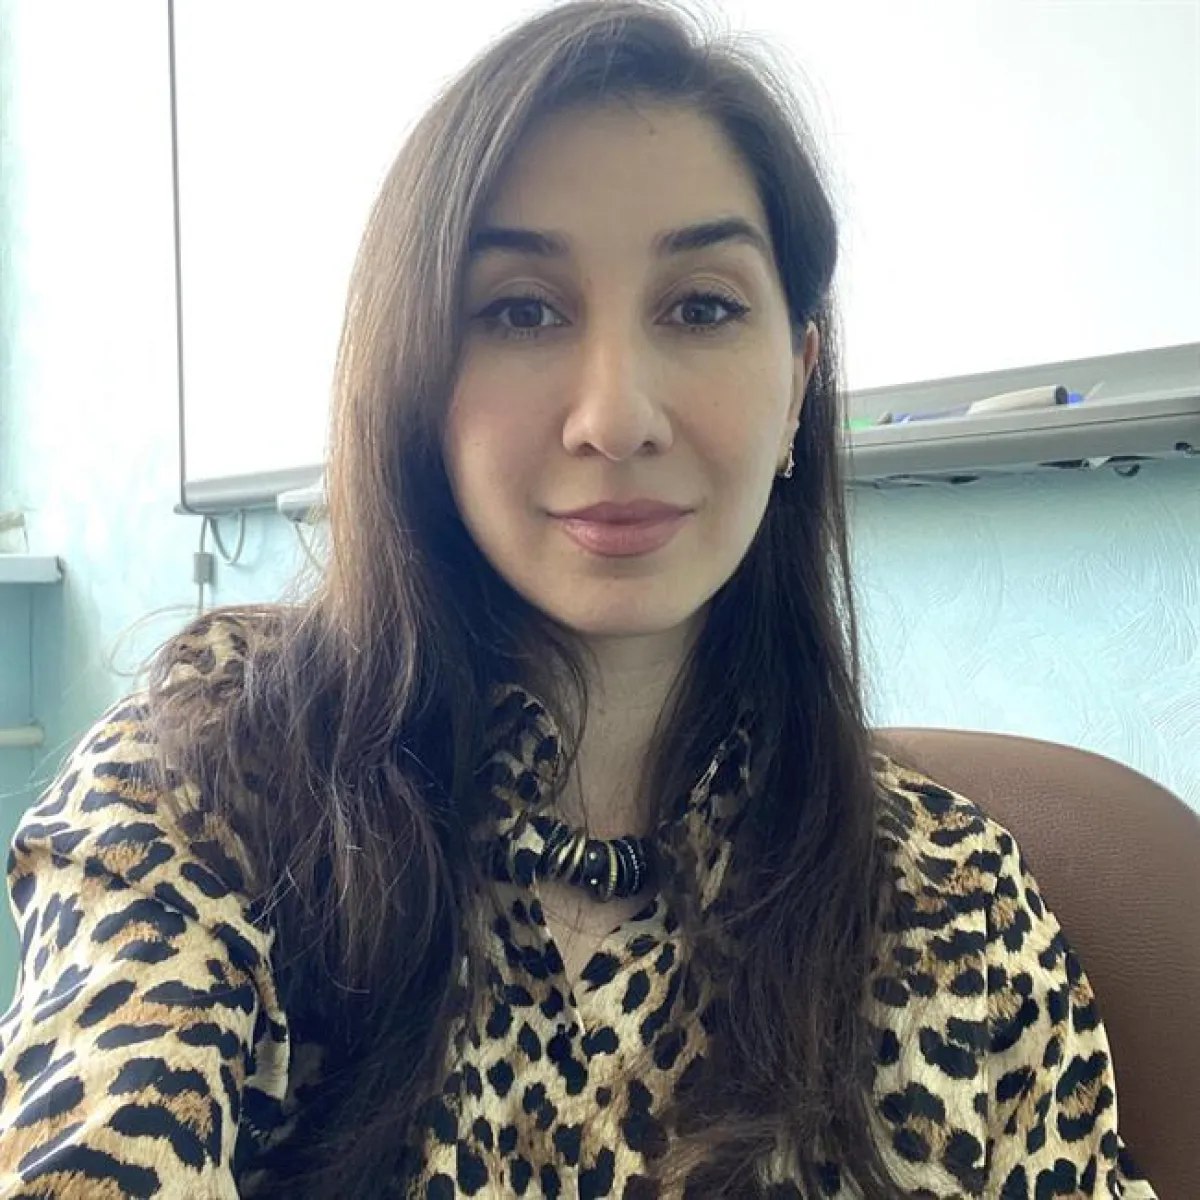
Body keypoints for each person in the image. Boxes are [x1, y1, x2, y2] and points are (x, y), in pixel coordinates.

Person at [0, 2, 1157, 1197]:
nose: (616, 418)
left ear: (797, 385)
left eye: (701, 307)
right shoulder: (206, 786)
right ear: (416, 377)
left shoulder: (948, 898)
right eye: (521, 309)